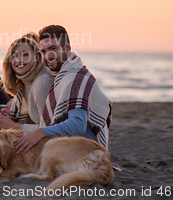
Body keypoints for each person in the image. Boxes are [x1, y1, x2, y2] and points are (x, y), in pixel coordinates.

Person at [14, 25, 113, 154]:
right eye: (43, 52)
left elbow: (78, 124)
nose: (48, 56)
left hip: (85, 154)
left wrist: (41, 132)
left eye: (53, 49)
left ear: (67, 48)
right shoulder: (62, 74)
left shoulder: (75, 77)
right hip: (71, 147)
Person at [0, 36, 54, 131]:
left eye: (25, 54)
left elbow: (51, 128)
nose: (19, 60)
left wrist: (14, 126)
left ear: (36, 57)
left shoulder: (41, 83)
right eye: (14, 56)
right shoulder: (23, 82)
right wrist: (11, 117)